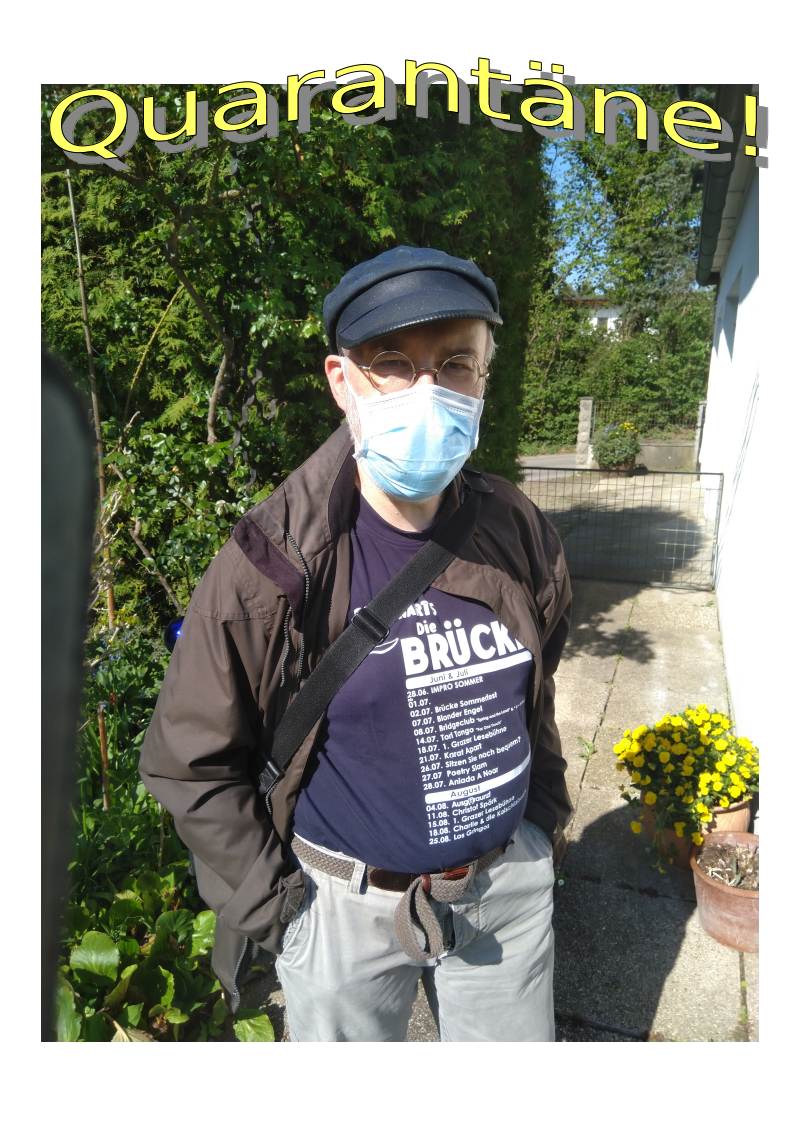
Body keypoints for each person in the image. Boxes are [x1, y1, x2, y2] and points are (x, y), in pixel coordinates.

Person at [140, 245, 572, 1042]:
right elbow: (187, 759)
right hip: (340, 916)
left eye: (455, 364)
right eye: (392, 364)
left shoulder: (518, 529)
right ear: (342, 381)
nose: (427, 392)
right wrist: (282, 910)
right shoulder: (272, 565)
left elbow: (533, 688)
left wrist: (542, 821)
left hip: (504, 892)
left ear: (484, 378)